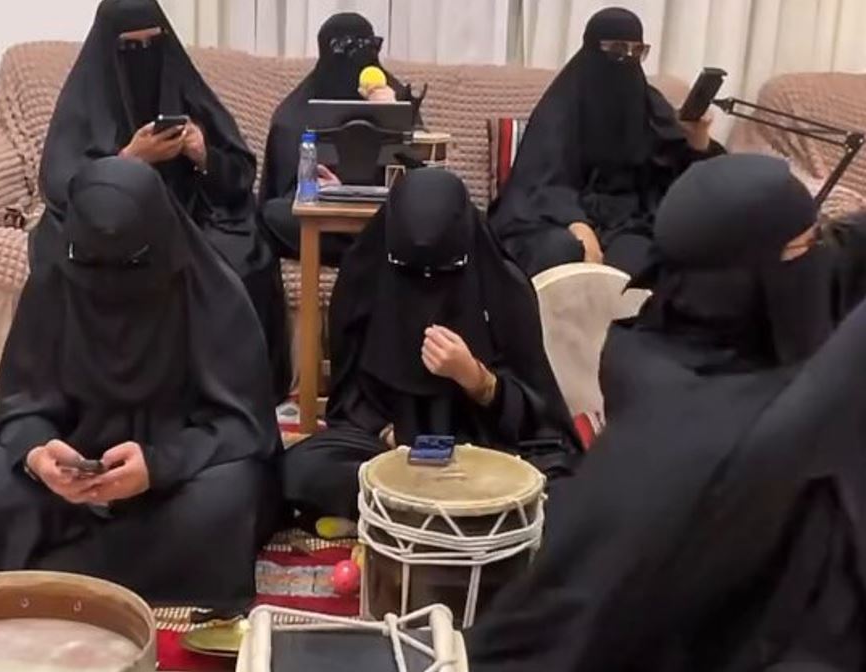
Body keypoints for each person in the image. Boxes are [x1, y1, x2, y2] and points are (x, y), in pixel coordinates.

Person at [467, 154, 864, 672]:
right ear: (747, 275)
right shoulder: (683, 406)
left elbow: (839, 258)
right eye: (805, 246)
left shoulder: (681, 329)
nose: (820, 259)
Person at [0, 158, 282, 605]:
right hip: (72, 469)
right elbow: (21, 404)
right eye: (90, 264)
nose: (107, 282)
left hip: (181, 471)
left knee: (226, 502)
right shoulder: (55, 279)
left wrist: (158, 466)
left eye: (131, 264)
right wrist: (39, 454)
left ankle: (46, 567)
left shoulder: (210, 290)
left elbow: (243, 425)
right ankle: (93, 565)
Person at [282, 168, 582, 523]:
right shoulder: (364, 274)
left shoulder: (502, 286)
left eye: (445, 269)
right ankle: (459, 515)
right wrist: (389, 436)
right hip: (390, 448)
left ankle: (403, 512)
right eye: (406, 268)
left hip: (480, 447)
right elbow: (348, 395)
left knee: (563, 486)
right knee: (300, 469)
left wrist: (477, 379)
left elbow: (538, 416)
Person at [32, 0, 289, 401]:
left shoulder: (187, 91)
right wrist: (128, 160)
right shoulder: (86, 100)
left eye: (153, 46)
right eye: (131, 49)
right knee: (56, 250)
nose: (144, 59)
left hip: (190, 213)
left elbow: (239, 176)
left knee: (244, 256)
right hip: (110, 223)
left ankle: (227, 393)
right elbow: (61, 183)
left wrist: (203, 155)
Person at [490, 6, 724, 278]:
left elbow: (682, 178)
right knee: (562, 252)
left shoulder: (648, 105)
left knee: (635, 266)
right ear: (592, 50)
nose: (628, 59)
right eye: (617, 49)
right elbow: (540, 180)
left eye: (637, 51)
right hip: (555, 219)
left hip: (629, 223)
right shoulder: (562, 106)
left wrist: (698, 140)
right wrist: (575, 222)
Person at [258, 12, 416, 266]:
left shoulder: (394, 98)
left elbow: (425, 170)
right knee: (274, 214)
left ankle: (371, 250)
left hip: (386, 215)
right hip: (327, 224)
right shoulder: (293, 114)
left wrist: (394, 116)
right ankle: (372, 253)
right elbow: (282, 194)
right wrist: (327, 192)